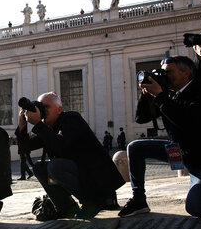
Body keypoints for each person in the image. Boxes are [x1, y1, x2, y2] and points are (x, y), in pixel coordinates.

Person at [119, 56, 201, 218]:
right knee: (135, 147)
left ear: (186, 73)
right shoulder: (169, 94)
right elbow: (141, 118)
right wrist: (147, 95)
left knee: (195, 208)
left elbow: (189, 123)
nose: (165, 76)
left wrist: (161, 97)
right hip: (180, 151)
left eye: (169, 72)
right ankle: (139, 200)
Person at [16, 92, 124, 220]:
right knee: (39, 168)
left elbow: (61, 145)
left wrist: (39, 124)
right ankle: (66, 207)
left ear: (59, 109)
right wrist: (22, 126)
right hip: (81, 176)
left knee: (55, 167)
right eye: (40, 107)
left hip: (96, 179)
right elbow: (24, 147)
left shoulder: (71, 118)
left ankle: (92, 203)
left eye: (46, 107)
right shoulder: (48, 128)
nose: (43, 111)